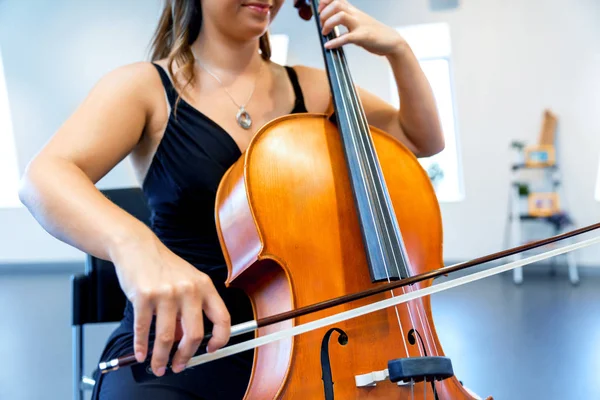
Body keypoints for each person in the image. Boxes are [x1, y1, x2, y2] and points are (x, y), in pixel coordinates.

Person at [18, 0, 444, 398]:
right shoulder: (145, 87)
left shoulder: (311, 88)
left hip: (306, 346)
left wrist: (399, 51)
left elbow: (421, 138)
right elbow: (43, 177)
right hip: (179, 346)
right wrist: (135, 246)